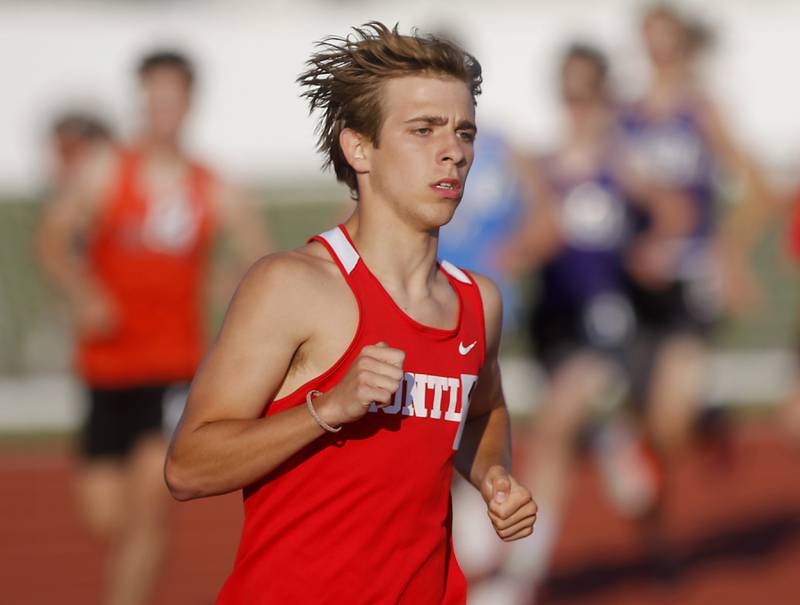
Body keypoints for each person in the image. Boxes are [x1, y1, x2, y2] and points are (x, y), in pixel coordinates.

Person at [165, 22, 536, 604]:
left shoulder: (476, 301)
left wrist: (491, 476)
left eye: (465, 132)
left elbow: (485, 410)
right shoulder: (292, 285)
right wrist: (328, 408)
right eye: (423, 130)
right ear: (359, 147)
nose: (454, 151)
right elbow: (188, 467)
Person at [37, 50, 269, 605]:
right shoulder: (106, 171)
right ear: (142, 101)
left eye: (174, 99)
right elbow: (50, 241)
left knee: (147, 511)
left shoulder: (211, 185)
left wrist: (229, 277)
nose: (164, 110)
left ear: (189, 104)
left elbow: (261, 257)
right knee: (105, 515)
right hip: (106, 365)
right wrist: (84, 290)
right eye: (154, 98)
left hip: (173, 367)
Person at [494, 43, 648, 603]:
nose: (576, 105)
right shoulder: (540, 166)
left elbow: (672, 220)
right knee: (564, 422)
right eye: (567, 92)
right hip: (553, 324)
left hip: (608, 321)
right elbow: (522, 234)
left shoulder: (626, 162)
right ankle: (608, 433)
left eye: (586, 92)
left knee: (554, 428)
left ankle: (521, 574)